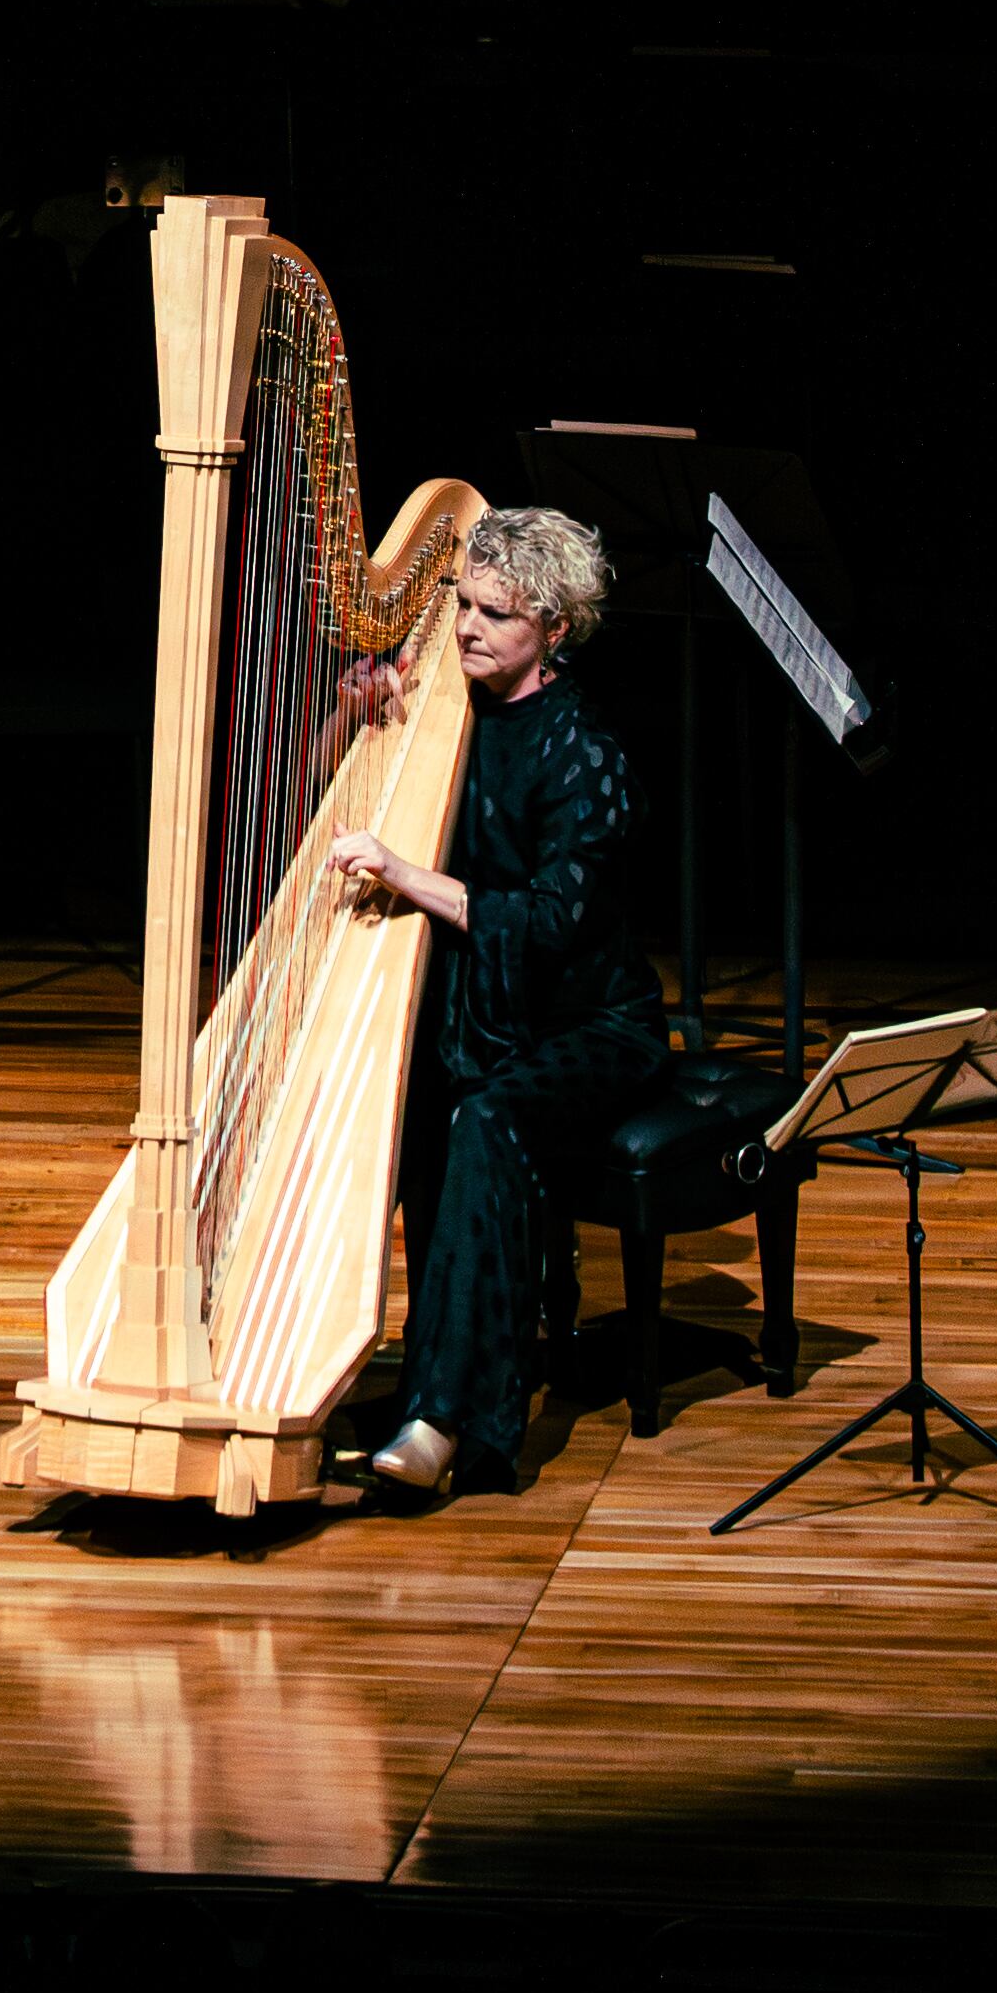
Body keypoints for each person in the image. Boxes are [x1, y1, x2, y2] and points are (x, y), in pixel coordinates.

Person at [315, 504, 663, 1494]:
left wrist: (403, 871)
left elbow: (550, 921)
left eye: (495, 614)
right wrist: (353, 709)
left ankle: (451, 1416)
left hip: (589, 1023)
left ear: (552, 629)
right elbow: (318, 795)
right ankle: (361, 1367)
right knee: (403, 1105)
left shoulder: (584, 754)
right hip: (483, 1003)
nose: (466, 626)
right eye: (461, 603)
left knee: (486, 1117)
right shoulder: (444, 704)